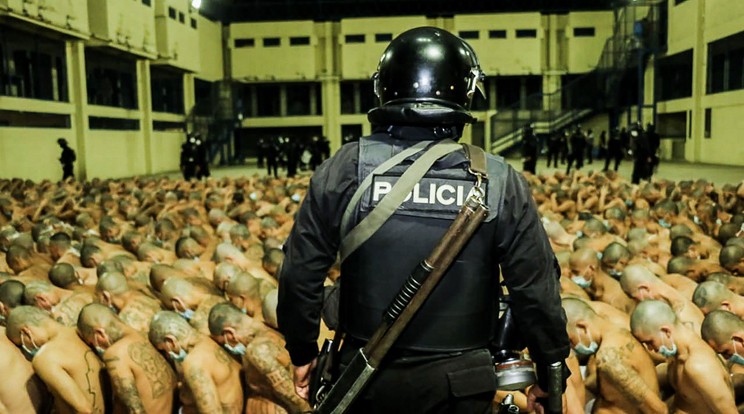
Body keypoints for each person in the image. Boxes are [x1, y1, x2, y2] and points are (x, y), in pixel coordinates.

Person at [277, 27, 570, 413]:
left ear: (383, 89)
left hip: (361, 380)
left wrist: (302, 352)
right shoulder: (498, 179)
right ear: (466, 91)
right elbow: (535, 288)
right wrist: (552, 369)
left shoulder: (346, 167)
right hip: (461, 387)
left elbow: (299, 273)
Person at [630, 300, 737, 413]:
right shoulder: (676, 355)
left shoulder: (699, 366)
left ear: (666, 331)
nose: (650, 348)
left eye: (650, 342)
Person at [562, 298, 666, 413]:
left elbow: (658, 410)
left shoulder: (608, 358)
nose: (573, 347)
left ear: (582, 327)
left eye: (571, 340)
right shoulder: (616, 330)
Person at [208, 303, 311, 413]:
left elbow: (288, 391)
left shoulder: (255, 351)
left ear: (229, 334)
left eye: (224, 342)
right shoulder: (265, 324)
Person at [5, 306, 108, 414]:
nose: (26, 352)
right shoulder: (78, 331)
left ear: (26, 332)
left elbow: (84, 409)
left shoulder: (45, 358)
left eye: (22, 344)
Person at [77, 304, 177, 414]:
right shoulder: (144, 336)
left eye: (92, 343)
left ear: (99, 333)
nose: (97, 347)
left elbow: (135, 410)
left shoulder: (115, 355)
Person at [148, 311, 244, 414]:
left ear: (170, 341)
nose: (167, 355)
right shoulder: (206, 340)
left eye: (164, 350)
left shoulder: (193, 364)